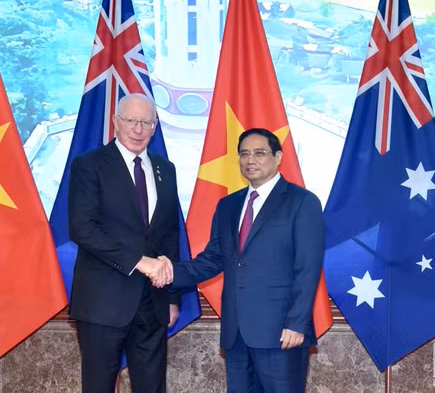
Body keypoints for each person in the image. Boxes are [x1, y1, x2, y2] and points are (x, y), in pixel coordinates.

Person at [161, 128, 325, 392]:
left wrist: (296, 324)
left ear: (278, 157)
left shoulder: (302, 202)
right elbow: (213, 259)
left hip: (281, 334)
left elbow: (308, 268)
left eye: (260, 153)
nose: (251, 160)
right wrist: (166, 272)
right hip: (236, 334)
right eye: (245, 154)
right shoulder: (228, 205)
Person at [67, 93, 180, 393]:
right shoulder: (89, 165)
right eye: (131, 120)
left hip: (153, 303)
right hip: (103, 303)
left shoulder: (166, 169)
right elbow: (82, 229)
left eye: (146, 122)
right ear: (116, 122)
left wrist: (172, 297)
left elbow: (170, 235)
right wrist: (139, 261)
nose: (138, 129)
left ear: (155, 126)